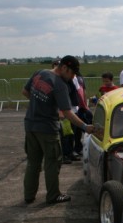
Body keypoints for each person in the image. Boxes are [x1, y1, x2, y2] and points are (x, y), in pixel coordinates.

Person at [22, 55, 93, 204]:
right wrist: (86, 127)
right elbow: (67, 112)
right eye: (72, 73)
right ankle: (53, 195)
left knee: (33, 162)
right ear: (64, 68)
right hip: (48, 128)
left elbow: (26, 92)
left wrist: (40, 104)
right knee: (53, 162)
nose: (72, 77)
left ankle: (29, 195)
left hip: (30, 125)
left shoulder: (39, 73)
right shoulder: (60, 84)